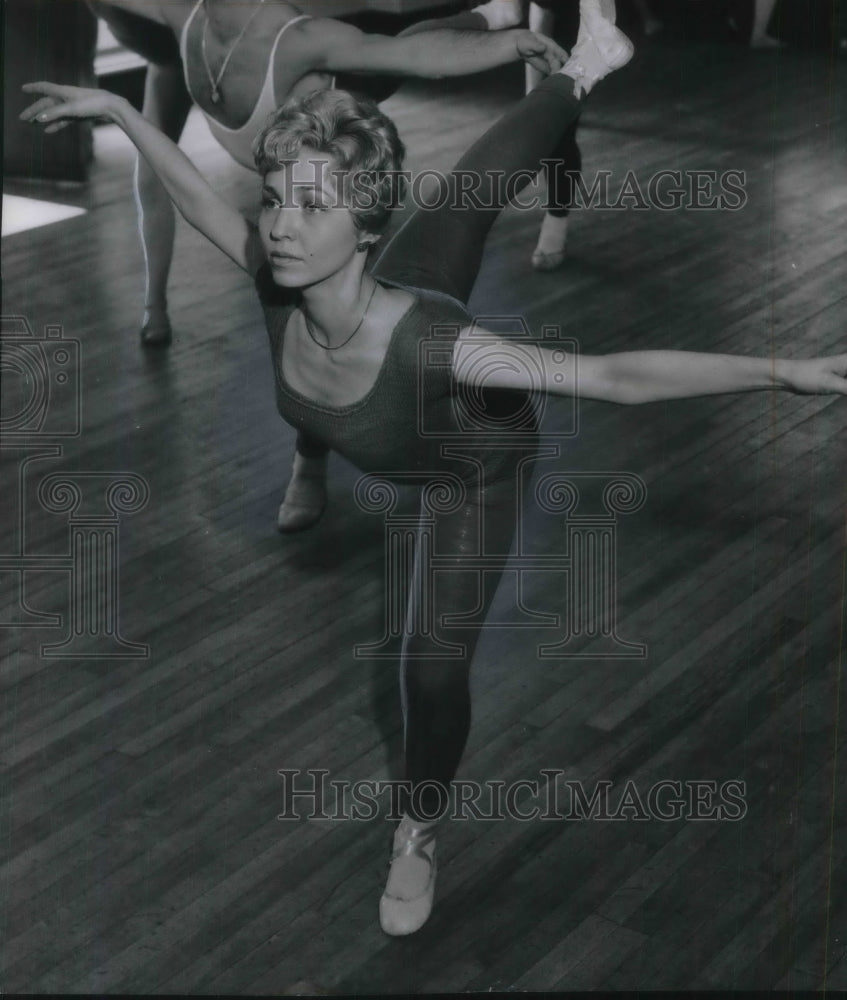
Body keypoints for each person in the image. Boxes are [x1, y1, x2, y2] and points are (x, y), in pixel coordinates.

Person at [23, 0, 847, 937]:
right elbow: (201, 196)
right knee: (471, 185)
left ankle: (417, 832)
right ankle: (586, 67)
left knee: (430, 670)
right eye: (281, 195)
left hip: (471, 464)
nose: (283, 225)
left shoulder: (445, 349)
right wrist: (126, 113)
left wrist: (785, 371)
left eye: (315, 206)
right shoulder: (276, 270)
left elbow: (612, 379)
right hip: (388, 330)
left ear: (366, 226)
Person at [89, 0, 569, 534]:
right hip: (305, 180)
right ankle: (310, 461)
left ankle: (496, 20)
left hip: (338, 128)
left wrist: (507, 44)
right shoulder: (181, 17)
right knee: (317, 318)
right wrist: (116, 109)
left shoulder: (295, 38)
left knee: (393, 48)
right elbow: (197, 202)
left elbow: (409, 52)